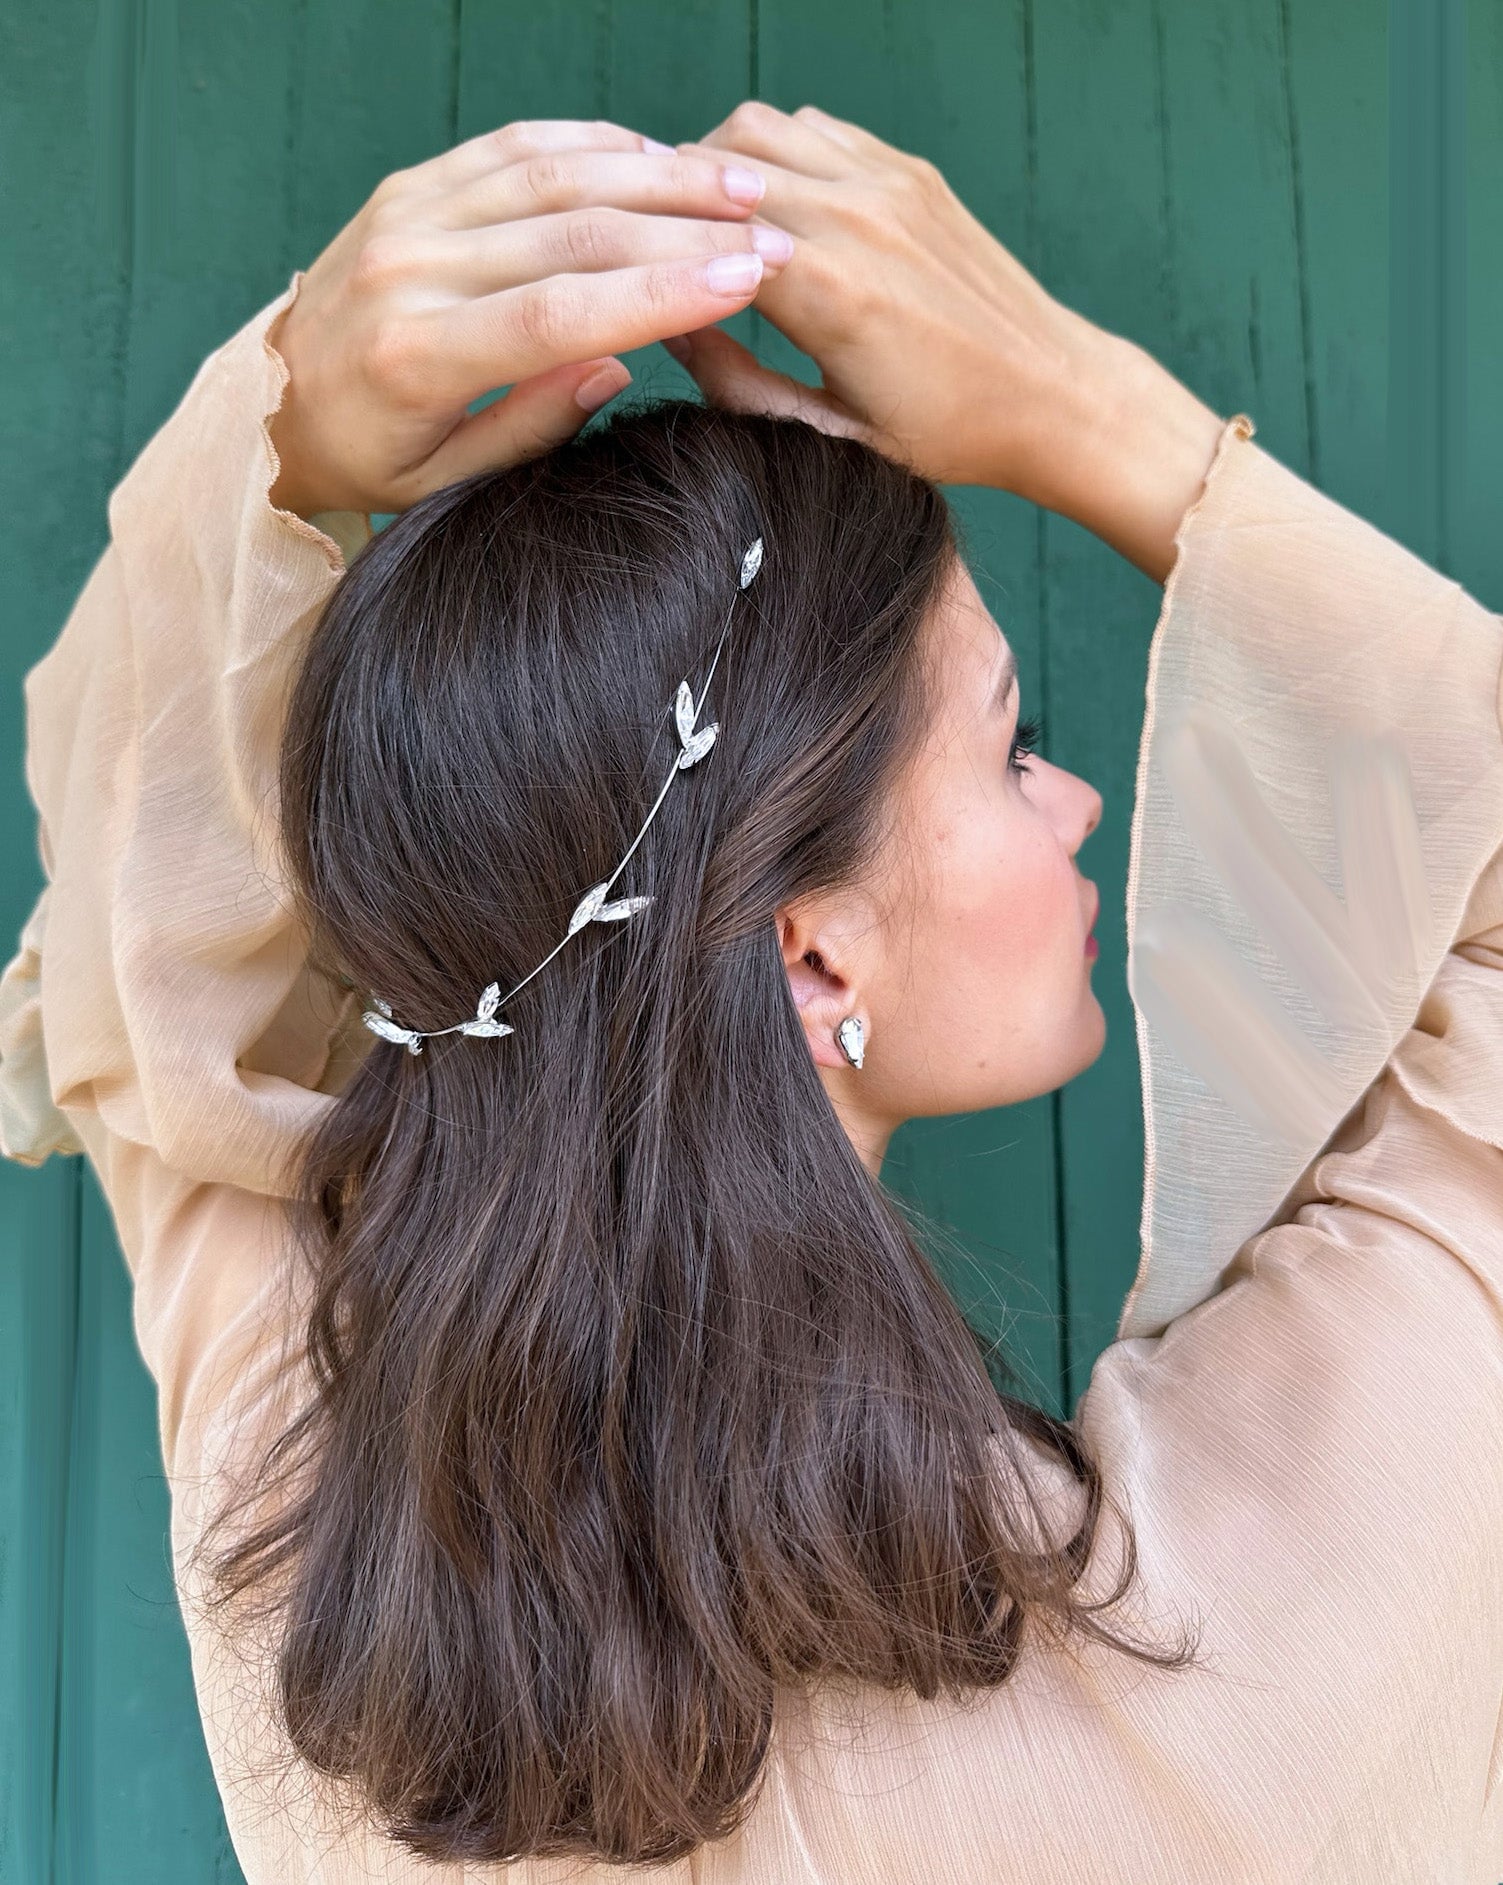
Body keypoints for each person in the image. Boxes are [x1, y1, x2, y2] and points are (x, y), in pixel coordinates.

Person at [2, 99, 1501, 1883]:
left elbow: (134, 919)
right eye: (1015, 745)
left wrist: (289, 421)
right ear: (812, 951)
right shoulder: (1230, 1651)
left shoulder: (294, 1547)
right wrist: (1086, 414)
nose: (1077, 798)